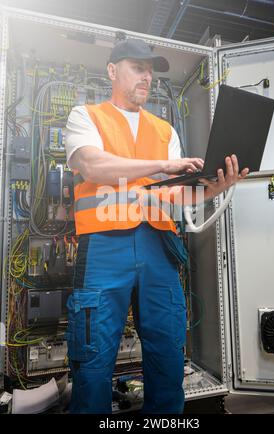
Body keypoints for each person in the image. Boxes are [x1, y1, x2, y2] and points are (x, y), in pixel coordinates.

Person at [65, 37, 249, 414]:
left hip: (159, 249)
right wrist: (162, 166)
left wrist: (215, 188)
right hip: (103, 248)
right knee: (92, 359)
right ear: (113, 71)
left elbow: (179, 197)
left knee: (167, 356)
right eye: (138, 67)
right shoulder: (86, 116)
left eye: (150, 71)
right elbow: (93, 166)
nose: (147, 77)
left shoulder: (164, 131)